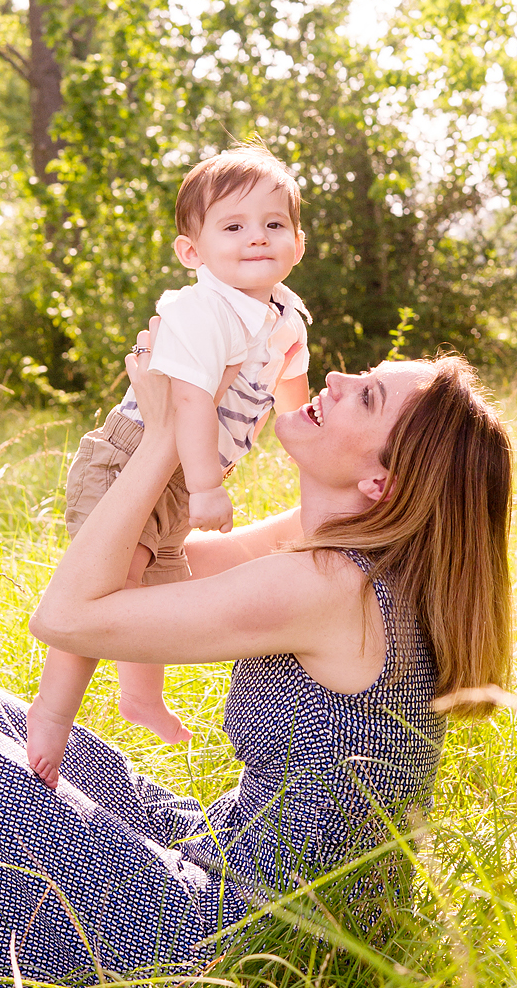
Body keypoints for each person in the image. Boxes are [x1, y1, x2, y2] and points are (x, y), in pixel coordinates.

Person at [0, 334, 513, 985]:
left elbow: (68, 616)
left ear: (379, 481)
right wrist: (190, 405)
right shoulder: (343, 551)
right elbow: (149, 564)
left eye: (368, 398)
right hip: (243, 863)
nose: (339, 382)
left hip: (243, 941)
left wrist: (160, 437)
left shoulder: (325, 586)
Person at [28, 146, 312, 782]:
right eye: (232, 227)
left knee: (155, 590)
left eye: (273, 224)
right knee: (109, 585)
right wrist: (207, 488)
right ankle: (50, 717)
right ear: (193, 252)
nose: (255, 238)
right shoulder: (202, 310)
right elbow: (186, 401)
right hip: (133, 459)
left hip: (180, 479)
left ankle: (139, 696)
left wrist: (305, 436)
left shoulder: (285, 315)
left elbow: (292, 386)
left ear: (297, 242)